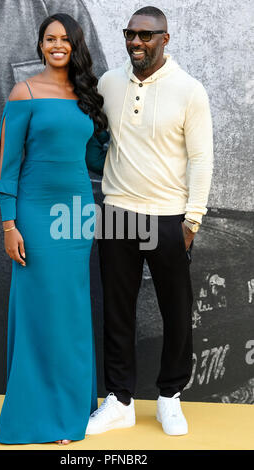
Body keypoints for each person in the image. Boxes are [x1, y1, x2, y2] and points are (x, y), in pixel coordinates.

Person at [86, 6, 213, 436]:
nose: (135, 43)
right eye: (130, 34)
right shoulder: (108, 82)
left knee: (176, 312)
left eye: (146, 35)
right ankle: (119, 400)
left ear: (165, 38)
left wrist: (191, 221)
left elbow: (201, 159)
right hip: (117, 213)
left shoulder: (189, 90)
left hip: (168, 217)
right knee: (117, 312)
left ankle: (169, 397)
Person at [0, 13, 108, 445]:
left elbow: (94, 158)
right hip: (36, 217)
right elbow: (7, 165)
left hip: (77, 216)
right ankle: (39, 416)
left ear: (75, 46)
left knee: (72, 314)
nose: (57, 45)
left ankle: (71, 409)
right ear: (40, 45)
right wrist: (8, 223)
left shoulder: (85, 95)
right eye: (49, 38)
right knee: (42, 313)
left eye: (65, 39)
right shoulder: (25, 92)